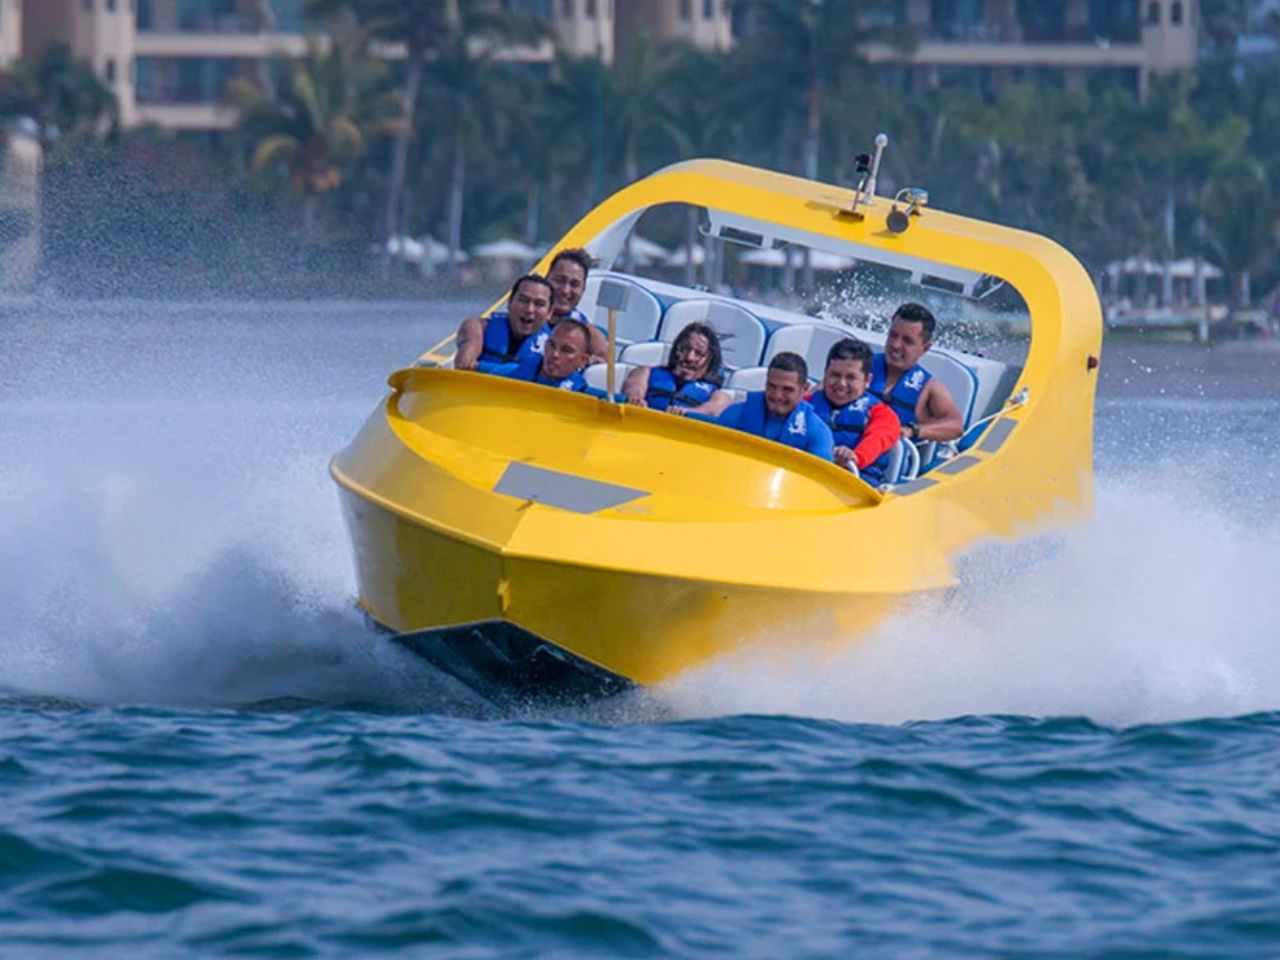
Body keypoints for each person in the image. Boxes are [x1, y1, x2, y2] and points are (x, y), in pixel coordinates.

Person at [454, 248, 607, 369]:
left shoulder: (588, 334)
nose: (565, 290)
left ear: (583, 290)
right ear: (546, 279)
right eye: (559, 280)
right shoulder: (482, 327)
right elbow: (473, 326)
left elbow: (607, 363)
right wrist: (470, 345)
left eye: (574, 285)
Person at [808, 338, 901, 481]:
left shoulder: (883, 415)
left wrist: (855, 457)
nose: (841, 384)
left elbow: (877, 440)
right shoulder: (805, 405)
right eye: (835, 375)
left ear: (867, 381)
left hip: (854, 484)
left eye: (851, 378)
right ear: (825, 374)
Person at [870, 303, 964, 443]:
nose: (895, 345)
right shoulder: (859, 366)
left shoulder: (931, 389)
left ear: (925, 348)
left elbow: (955, 426)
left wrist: (913, 430)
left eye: (907, 341)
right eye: (893, 335)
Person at [716, 352, 834, 460]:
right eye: (772, 386)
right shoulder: (735, 414)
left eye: (787, 389)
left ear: (804, 389)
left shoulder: (818, 433)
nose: (777, 396)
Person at [455, 274, 554, 371]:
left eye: (539, 304)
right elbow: (463, 364)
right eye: (523, 300)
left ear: (549, 312)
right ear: (510, 302)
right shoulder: (479, 328)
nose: (529, 309)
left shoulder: (555, 348)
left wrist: (480, 367)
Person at [621, 322, 725, 412]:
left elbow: (711, 411)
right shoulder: (644, 373)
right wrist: (636, 399)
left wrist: (687, 412)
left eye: (699, 354)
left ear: (710, 361)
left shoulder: (718, 396)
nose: (689, 358)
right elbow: (634, 389)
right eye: (684, 349)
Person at [495, 317, 592, 392]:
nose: (555, 354)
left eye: (566, 350)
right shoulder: (515, 373)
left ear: (583, 361)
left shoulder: (581, 394)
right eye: (551, 345)